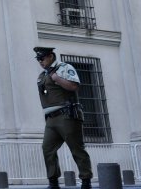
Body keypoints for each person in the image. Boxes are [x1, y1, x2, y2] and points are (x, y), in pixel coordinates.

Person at [34, 46, 93, 189]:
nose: (40, 61)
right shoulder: (43, 75)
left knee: (77, 149)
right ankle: (53, 182)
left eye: (42, 58)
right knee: (47, 149)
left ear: (50, 56)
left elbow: (74, 86)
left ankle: (86, 181)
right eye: (38, 59)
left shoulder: (63, 68)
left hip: (67, 115)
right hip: (51, 119)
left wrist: (57, 79)